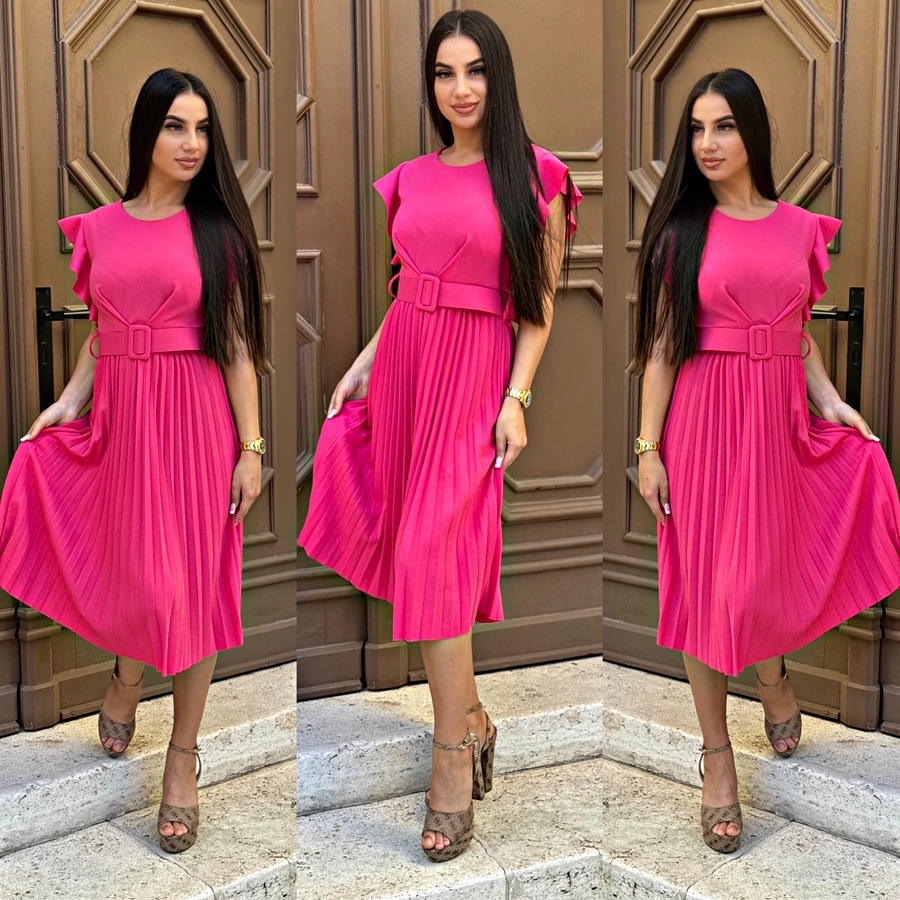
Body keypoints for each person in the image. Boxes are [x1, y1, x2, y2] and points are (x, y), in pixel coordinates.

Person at [299, 9, 581, 862]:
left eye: (475, 71)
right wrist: (362, 364)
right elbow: (407, 290)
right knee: (418, 555)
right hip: (406, 370)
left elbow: (540, 306)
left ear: (499, 77)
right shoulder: (411, 179)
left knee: (432, 556)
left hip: (474, 376)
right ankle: (475, 717)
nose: (460, 89)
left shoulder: (536, 176)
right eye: (444, 73)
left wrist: (516, 398)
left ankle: (451, 757)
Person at [633, 67, 900, 854]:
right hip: (703, 424)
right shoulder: (683, 232)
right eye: (696, 129)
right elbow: (661, 349)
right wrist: (648, 448)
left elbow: (797, 333)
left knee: (765, 571)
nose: (707, 143)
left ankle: (773, 674)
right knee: (708, 589)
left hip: (776, 419)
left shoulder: (797, 228)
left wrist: (830, 401)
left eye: (723, 126)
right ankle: (717, 757)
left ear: (752, 131)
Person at [0, 68, 267, 853]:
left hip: (196, 424)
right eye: (176, 126)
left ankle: (182, 755)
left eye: (203, 129)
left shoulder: (216, 232)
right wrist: (69, 400)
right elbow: (102, 332)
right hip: (123, 420)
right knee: (134, 571)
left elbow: (238, 348)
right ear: (146, 132)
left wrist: (252, 448)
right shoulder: (103, 228)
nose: (192, 143)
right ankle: (126, 674)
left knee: (190, 588)